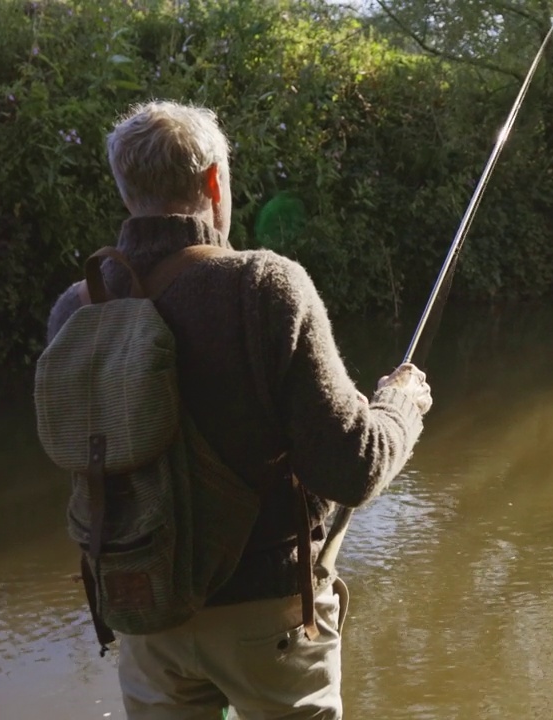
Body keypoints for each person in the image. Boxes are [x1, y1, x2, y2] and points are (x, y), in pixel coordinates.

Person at [45, 100, 432, 719]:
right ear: (214, 182)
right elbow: (353, 467)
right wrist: (401, 403)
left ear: (127, 194)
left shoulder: (77, 308)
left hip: (144, 608)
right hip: (265, 618)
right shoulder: (264, 287)